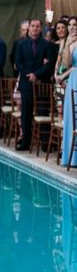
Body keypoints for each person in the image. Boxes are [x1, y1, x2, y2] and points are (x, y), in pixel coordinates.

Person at [15, 18, 57, 151]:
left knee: (43, 111)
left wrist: (36, 74)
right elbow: (18, 62)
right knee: (26, 114)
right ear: (29, 28)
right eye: (32, 26)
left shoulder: (46, 44)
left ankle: (45, 144)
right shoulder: (21, 44)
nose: (34, 29)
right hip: (26, 83)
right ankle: (26, 143)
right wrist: (29, 74)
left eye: (37, 26)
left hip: (41, 83)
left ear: (40, 28)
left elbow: (50, 63)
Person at [60, 17, 77, 166]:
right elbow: (66, 64)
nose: (72, 27)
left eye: (74, 25)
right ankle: (72, 156)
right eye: (70, 25)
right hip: (73, 81)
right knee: (72, 116)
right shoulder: (70, 43)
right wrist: (67, 45)